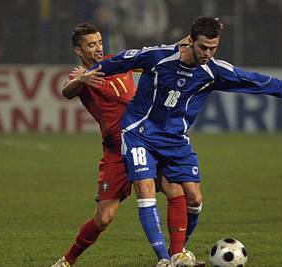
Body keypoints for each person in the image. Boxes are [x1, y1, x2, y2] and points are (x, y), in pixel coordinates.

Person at [87, 16, 282, 267]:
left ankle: (178, 252)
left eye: (213, 48)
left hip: (175, 139)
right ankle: (164, 260)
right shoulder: (159, 57)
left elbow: (252, 79)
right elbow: (123, 60)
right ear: (190, 41)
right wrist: (88, 74)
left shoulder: (213, 70)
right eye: (202, 47)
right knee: (146, 191)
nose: (207, 53)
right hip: (139, 132)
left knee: (194, 198)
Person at [50, 23, 196, 267]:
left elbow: (166, 51)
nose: (98, 48)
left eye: (99, 42)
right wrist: (84, 79)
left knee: (175, 190)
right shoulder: (82, 77)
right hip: (116, 150)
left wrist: (196, 34)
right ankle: (67, 261)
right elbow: (66, 91)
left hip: (145, 141)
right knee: (104, 217)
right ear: (78, 50)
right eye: (90, 44)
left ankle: (176, 255)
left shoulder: (120, 62)